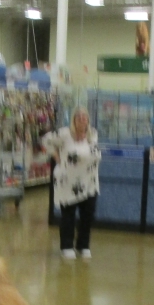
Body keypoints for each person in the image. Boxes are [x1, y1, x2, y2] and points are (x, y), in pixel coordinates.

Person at [43, 106, 101, 260]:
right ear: (73, 119)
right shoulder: (65, 133)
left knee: (88, 215)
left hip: (90, 181)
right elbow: (46, 140)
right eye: (78, 116)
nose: (82, 119)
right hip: (68, 182)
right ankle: (66, 246)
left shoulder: (93, 133)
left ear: (88, 119)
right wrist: (56, 156)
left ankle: (83, 245)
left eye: (84, 116)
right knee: (68, 215)